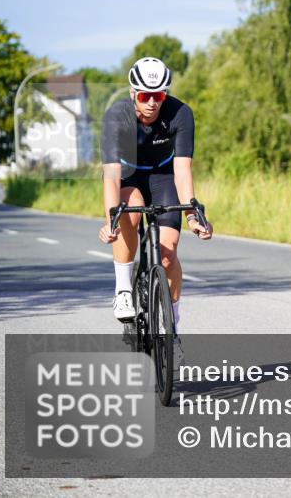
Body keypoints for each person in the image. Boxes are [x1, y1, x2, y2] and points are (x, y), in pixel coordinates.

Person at [98, 57, 213, 364]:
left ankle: (172, 327)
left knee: (168, 253)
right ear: (133, 91)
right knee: (130, 207)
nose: (151, 103)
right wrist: (111, 218)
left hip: (164, 177)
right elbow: (110, 175)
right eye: (145, 95)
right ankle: (124, 290)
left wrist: (192, 214)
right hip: (130, 176)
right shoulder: (116, 116)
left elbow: (183, 171)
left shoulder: (180, 113)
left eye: (158, 95)